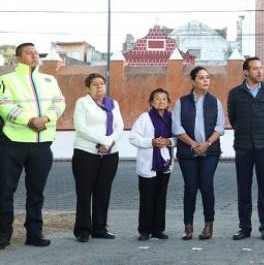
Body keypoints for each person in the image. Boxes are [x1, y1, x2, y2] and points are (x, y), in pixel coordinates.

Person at [0, 43, 65, 249]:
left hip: (41, 144)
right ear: (18, 57)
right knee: (4, 191)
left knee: (37, 192)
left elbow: (59, 102)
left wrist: (46, 118)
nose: (34, 55)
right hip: (13, 143)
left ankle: (34, 234)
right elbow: (4, 105)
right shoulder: (6, 80)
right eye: (29, 53)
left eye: (36, 52)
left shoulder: (49, 80)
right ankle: (4, 234)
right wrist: (29, 120)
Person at [227, 57, 264, 241]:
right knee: (244, 188)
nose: (260, 71)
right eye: (255, 68)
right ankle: (244, 227)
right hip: (243, 147)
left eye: (261, 67)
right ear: (246, 72)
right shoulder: (235, 93)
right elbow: (233, 118)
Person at [172, 66, 225, 241]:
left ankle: (208, 224)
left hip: (210, 152)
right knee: (190, 188)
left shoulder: (215, 102)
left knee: (207, 186)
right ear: (193, 81)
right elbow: (177, 127)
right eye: (201, 77)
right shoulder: (182, 102)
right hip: (188, 151)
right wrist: (193, 143)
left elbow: (219, 127)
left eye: (208, 77)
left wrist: (207, 143)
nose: (206, 80)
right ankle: (188, 226)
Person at [72, 72, 124, 242]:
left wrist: (109, 143)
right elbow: (81, 127)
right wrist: (104, 140)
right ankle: (83, 230)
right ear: (88, 88)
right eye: (94, 84)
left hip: (110, 154)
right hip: (86, 153)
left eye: (101, 83)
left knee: (103, 191)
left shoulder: (112, 103)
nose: (99, 86)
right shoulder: (83, 103)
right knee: (85, 192)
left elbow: (120, 126)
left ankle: (99, 228)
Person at [129, 88, 176, 241]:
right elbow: (133, 137)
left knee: (161, 197)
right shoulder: (145, 118)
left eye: (164, 98)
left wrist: (168, 141)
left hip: (165, 162)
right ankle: (144, 230)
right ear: (151, 102)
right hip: (148, 163)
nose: (161, 101)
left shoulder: (173, 118)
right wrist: (151, 142)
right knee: (147, 198)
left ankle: (158, 229)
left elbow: (179, 137)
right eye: (157, 99)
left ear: (168, 102)